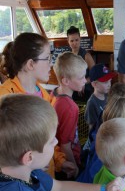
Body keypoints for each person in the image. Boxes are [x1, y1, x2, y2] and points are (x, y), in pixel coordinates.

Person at [0, 94, 125, 191]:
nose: (56, 142)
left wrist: (103, 188)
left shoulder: (30, 171)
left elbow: (59, 189)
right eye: (51, 141)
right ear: (29, 157)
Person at [0, 32, 76, 179]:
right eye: (47, 59)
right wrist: (32, 164)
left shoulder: (45, 96)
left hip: (46, 179)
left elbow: (46, 139)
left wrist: (60, 161)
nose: (51, 63)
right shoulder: (5, 97)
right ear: (30, 64)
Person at [51, 51, 87, 179]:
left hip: (55, 158)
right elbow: (65, 145)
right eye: (81, 78)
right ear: (65, 81)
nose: (85, 81)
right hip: (67, 163)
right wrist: (74, 165)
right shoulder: (71, 108)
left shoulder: (54, 93)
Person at [85, 64, 118, 133]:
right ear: (94, 84)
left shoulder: (108, 96)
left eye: (110, 81)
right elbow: (91, 127)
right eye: (105, 82)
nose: (109, 84)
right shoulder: (92, 103)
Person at [67, 26, 95, 101]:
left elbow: (95, 75)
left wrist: (83, 83)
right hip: (72, 88)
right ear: (68, 41)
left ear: (80, 39)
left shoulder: (86, 56)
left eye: (77, 40)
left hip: (85, 90)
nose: (74, 43)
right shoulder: (68, 56)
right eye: (72, 41)